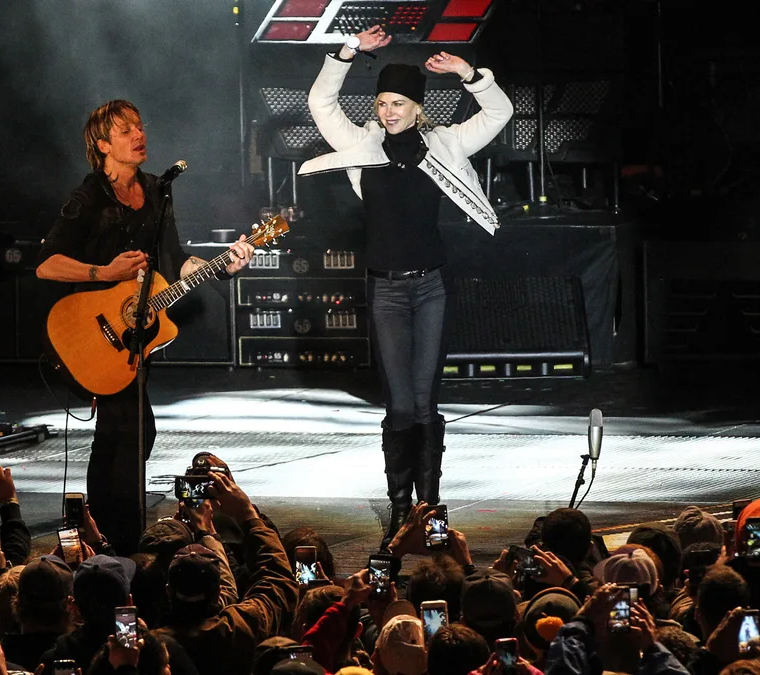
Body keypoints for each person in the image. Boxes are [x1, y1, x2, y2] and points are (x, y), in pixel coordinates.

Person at [298, 26, 513, 550]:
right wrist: (347, 53)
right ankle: (401, 507)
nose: (389, 111)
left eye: (398, 103)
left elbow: (498, 114)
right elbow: (321, 101)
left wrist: (468, 75)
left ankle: (429, 507)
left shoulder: (446, 143)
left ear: (417, 107)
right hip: (387, 291)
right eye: (382, 103)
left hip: (432, 287)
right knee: (399, 404)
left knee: (424, 401)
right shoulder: (361, 141)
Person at [35, 99, 255, 554]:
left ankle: (104, 528)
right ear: (102, 145)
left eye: (139, 126)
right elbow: (46, 264)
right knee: (130, 429)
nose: (139, 135)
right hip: (95, 332)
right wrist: (106, 273)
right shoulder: (90, 195)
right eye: (125, 130)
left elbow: (174, 261)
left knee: (127, 432)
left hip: (137, 335)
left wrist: (223, 266)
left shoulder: (158, 190)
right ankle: (118, 536)